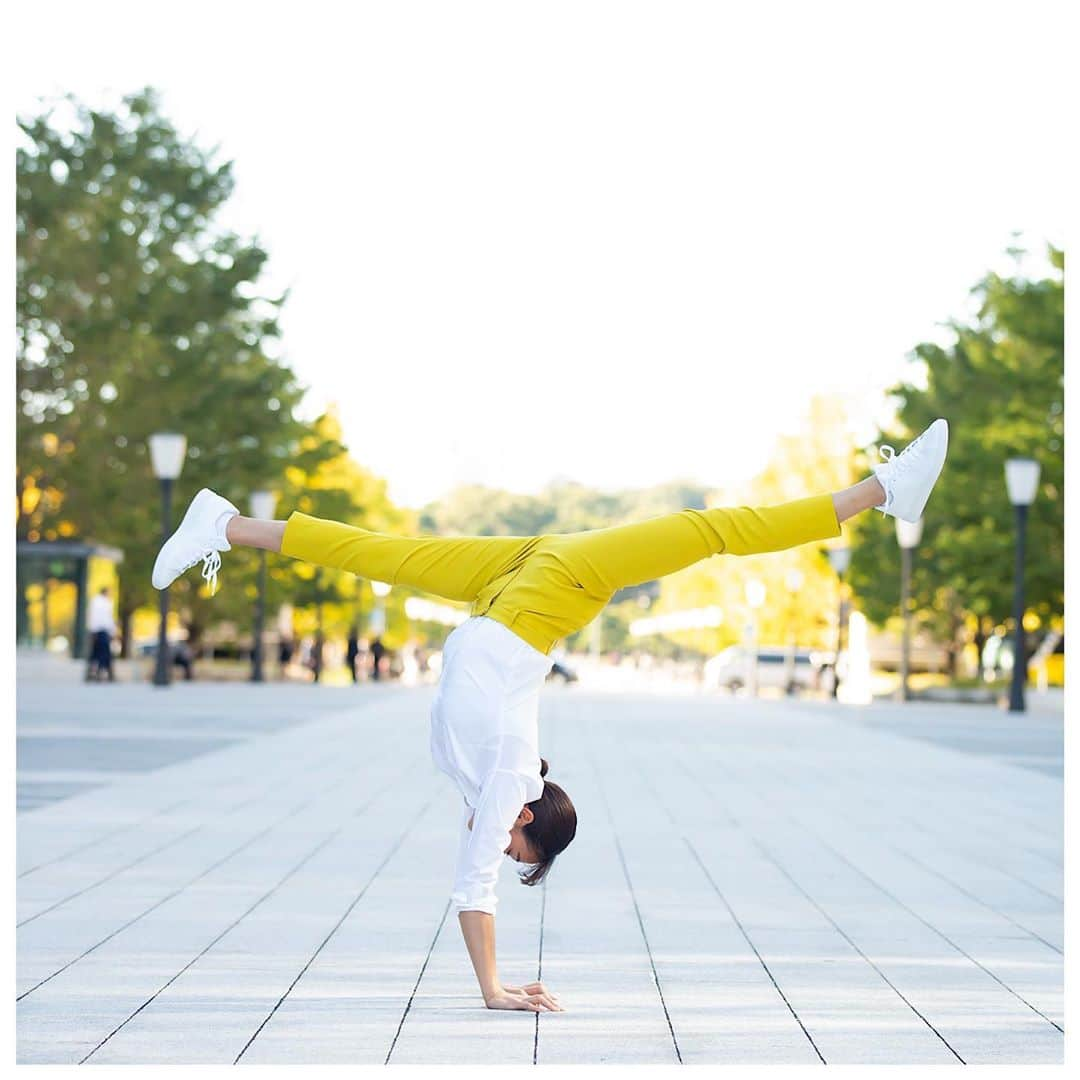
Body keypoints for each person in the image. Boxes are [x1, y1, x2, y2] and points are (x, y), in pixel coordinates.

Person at [151, 418, 949, 1013]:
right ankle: (882, 492)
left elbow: (483, 840)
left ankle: (224, 524)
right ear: (527, 815)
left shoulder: (500, 774)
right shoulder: (505, 783)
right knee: (713, 532)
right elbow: (475, 892)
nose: (503, 843)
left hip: (517, 583)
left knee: (379, 551)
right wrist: (493, 988)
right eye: (518, 841)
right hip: (544, 594)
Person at [85, 586, 116, 682]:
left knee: (96, 653)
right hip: (102, 630)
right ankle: (102, 673)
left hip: (96, 630)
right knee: (104, 653)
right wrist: (112, 631)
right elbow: (106, 618)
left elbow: (92, 617)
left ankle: (93, 673)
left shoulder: (95, 601)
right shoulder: (105, 602)